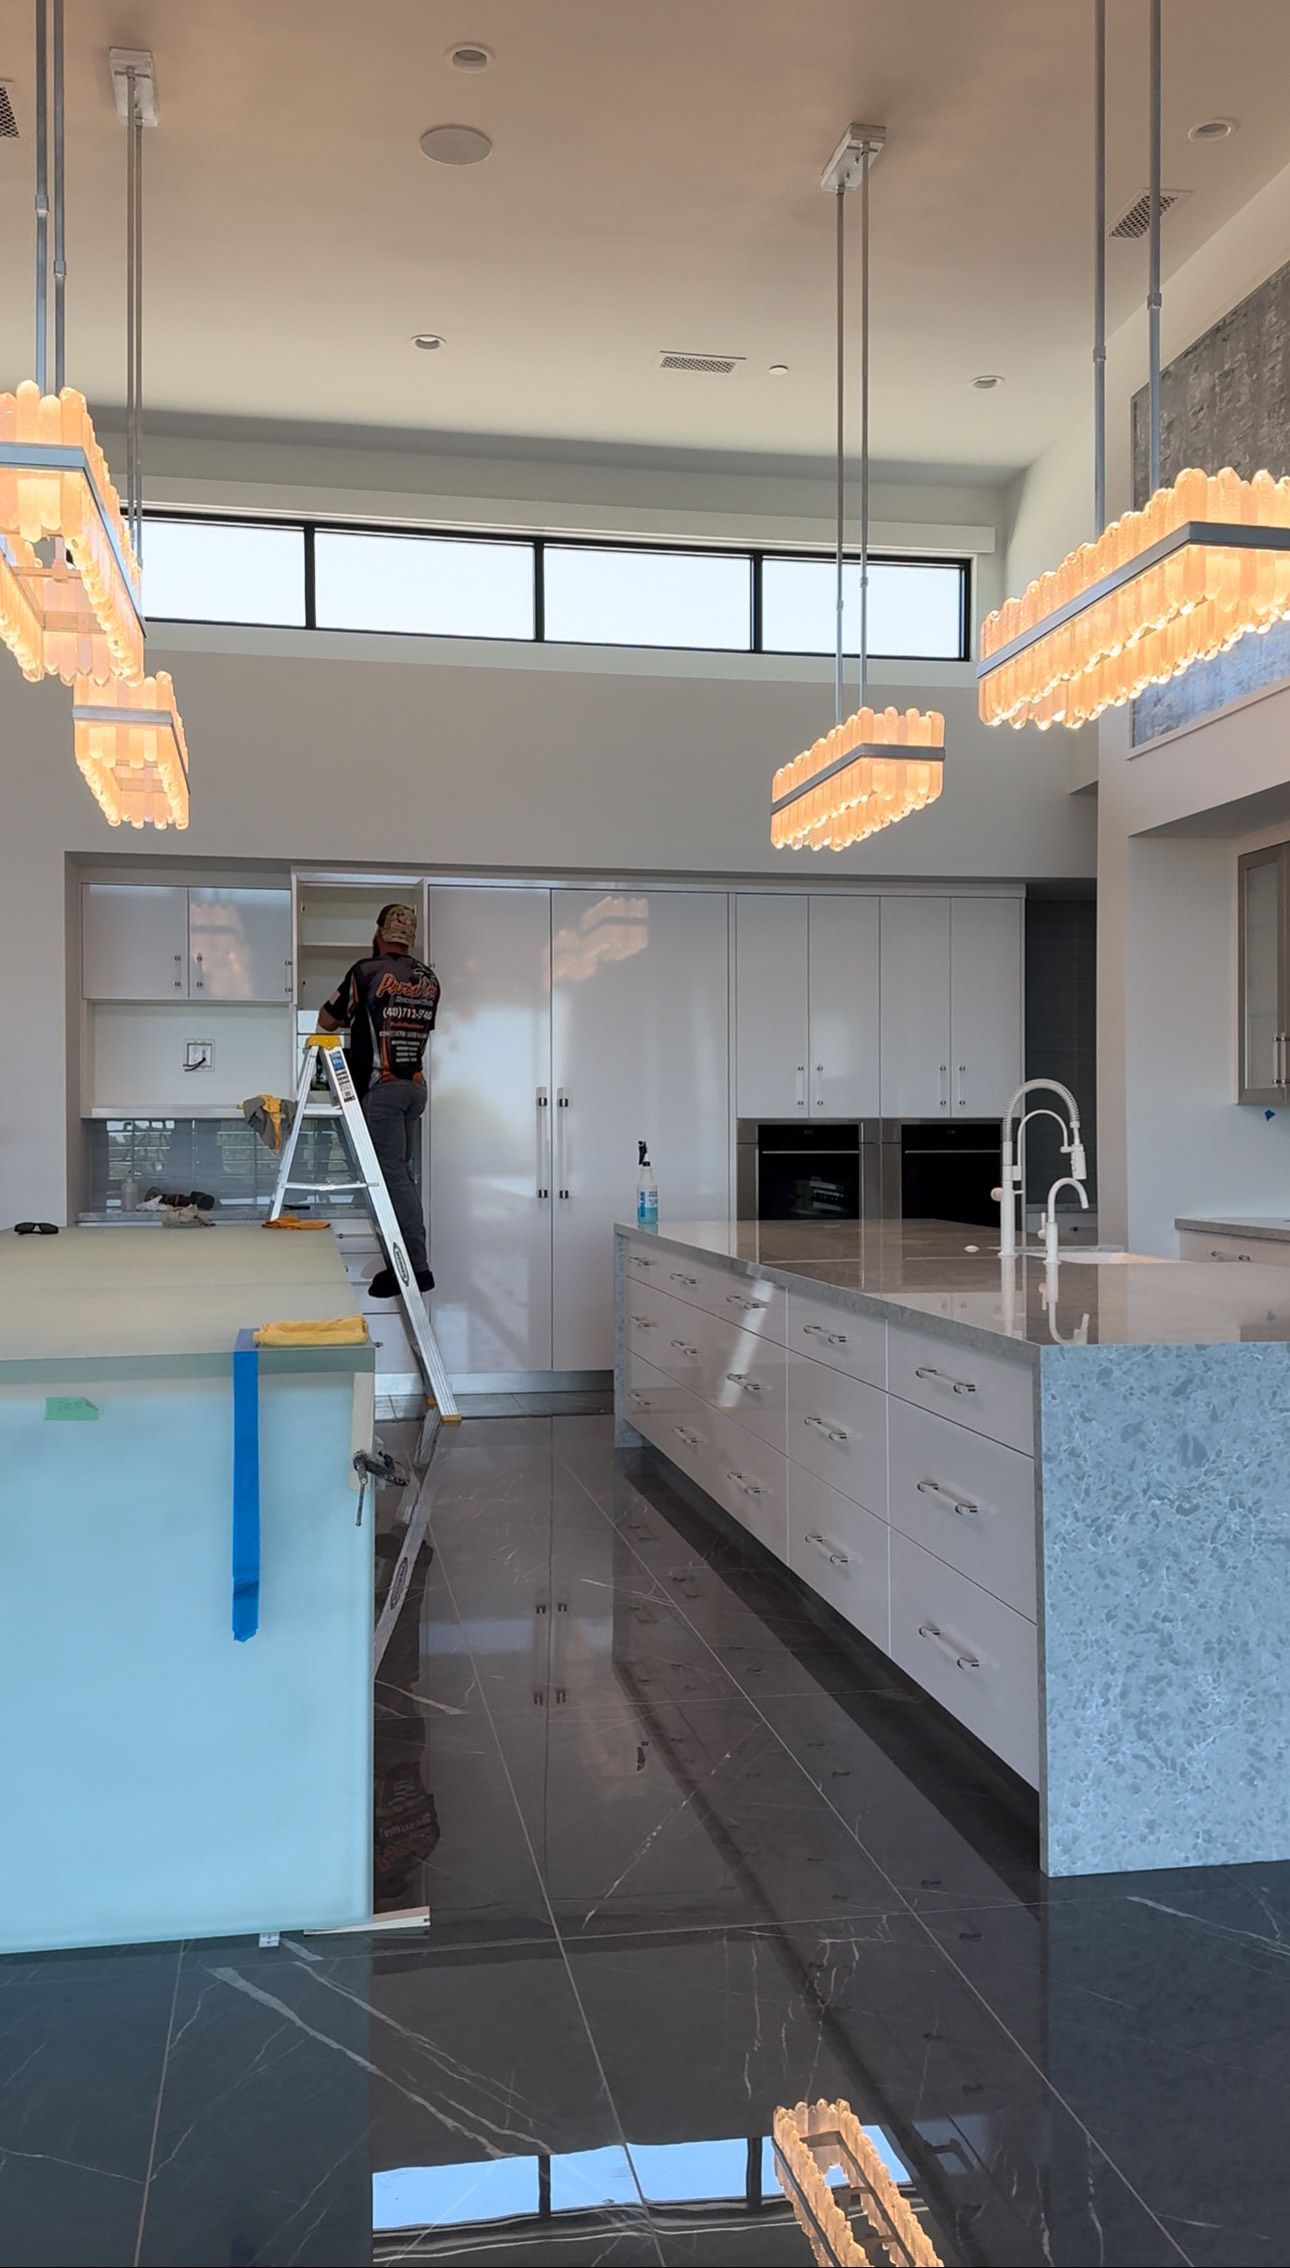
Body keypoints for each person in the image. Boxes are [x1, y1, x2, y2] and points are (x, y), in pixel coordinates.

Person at [317, 903, 440, 1299]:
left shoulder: (366, 972)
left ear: (379, 932)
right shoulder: (430, 979)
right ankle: (408, 1264)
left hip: (381, 1090)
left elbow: (326, 1018)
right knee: (401, 1177)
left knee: (389, 1179)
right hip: (414, 1087)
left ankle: (412, 1269)